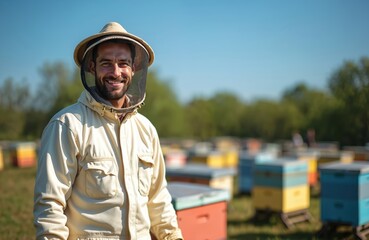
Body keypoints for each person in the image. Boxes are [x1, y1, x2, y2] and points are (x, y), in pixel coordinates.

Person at [33, 22, 183, 240]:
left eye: (123, 63)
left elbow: (158, 199)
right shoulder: (67, 125)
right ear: (92, 67)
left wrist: (173, 236)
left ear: (133, 68)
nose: (116, 72)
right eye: (106, 63)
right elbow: (49, 207)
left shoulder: (146, 130)